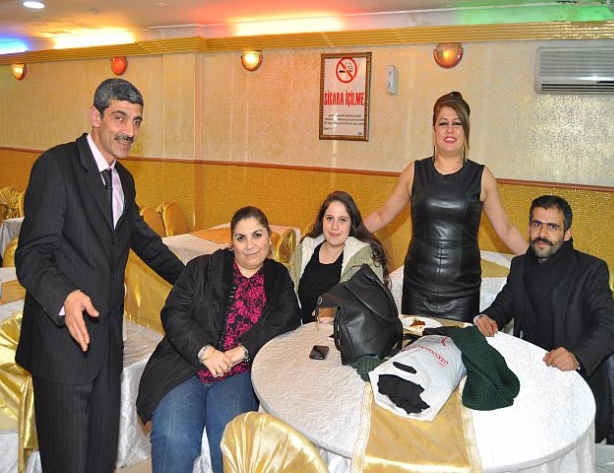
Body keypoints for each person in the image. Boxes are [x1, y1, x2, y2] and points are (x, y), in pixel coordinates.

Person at [15, 78, 185, 472]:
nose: (129, 131)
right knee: (68, 463)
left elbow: (147, 244)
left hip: (107, 348)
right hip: (61, 348)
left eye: (136, 121)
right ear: (96, 116)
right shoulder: (56, 166)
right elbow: (32, 255)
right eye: (119, 118)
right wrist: (65, 295)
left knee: (100, 461)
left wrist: (199, 277)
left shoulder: (124, 179)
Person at [136, 206, 301, 473]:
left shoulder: (277, 277)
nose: (250, 246)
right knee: (172, 438)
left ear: (269, 237)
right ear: (232, 242)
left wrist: (242, 350)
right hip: (187, 366)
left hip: (239, 373)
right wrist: (206, 352)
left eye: (257, 235)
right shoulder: (202, 268)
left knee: (228, 440)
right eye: (241, 238)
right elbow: (174, 313)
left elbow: (288, 315)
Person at [364, 91, 527, 322]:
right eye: (443, 123)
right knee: (415, 344)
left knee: (455, 344)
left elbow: (506, 230)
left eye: (457, 124)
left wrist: (542, 262)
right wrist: (344, 235)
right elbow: (381, 216)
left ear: (466, 131)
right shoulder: (413, 172)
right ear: (434, 130)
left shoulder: (482, 177)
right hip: (417, 287)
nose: (450, 130)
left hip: (462, 291)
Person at [475, 195, 614, 442]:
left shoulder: (590, 270)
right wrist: (487, 317)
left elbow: (608, 329)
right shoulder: (520, 265)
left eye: (552, 226)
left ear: (567, 233)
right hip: (531, 378)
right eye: (537, 224)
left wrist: (576, 356)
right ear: (529, 228)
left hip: (573, 384)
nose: (542, 234)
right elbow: (503, 306)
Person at [289, 190, 389, 324]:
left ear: (352, 223)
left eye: (342, 220)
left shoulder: (365, 257)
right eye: (329, 218)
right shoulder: (303, 252)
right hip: (304, 333)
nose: (334, 226)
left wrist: (335, 310)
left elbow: (374, 304)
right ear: (322, 220)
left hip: (345, 334)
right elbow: (287, 296)